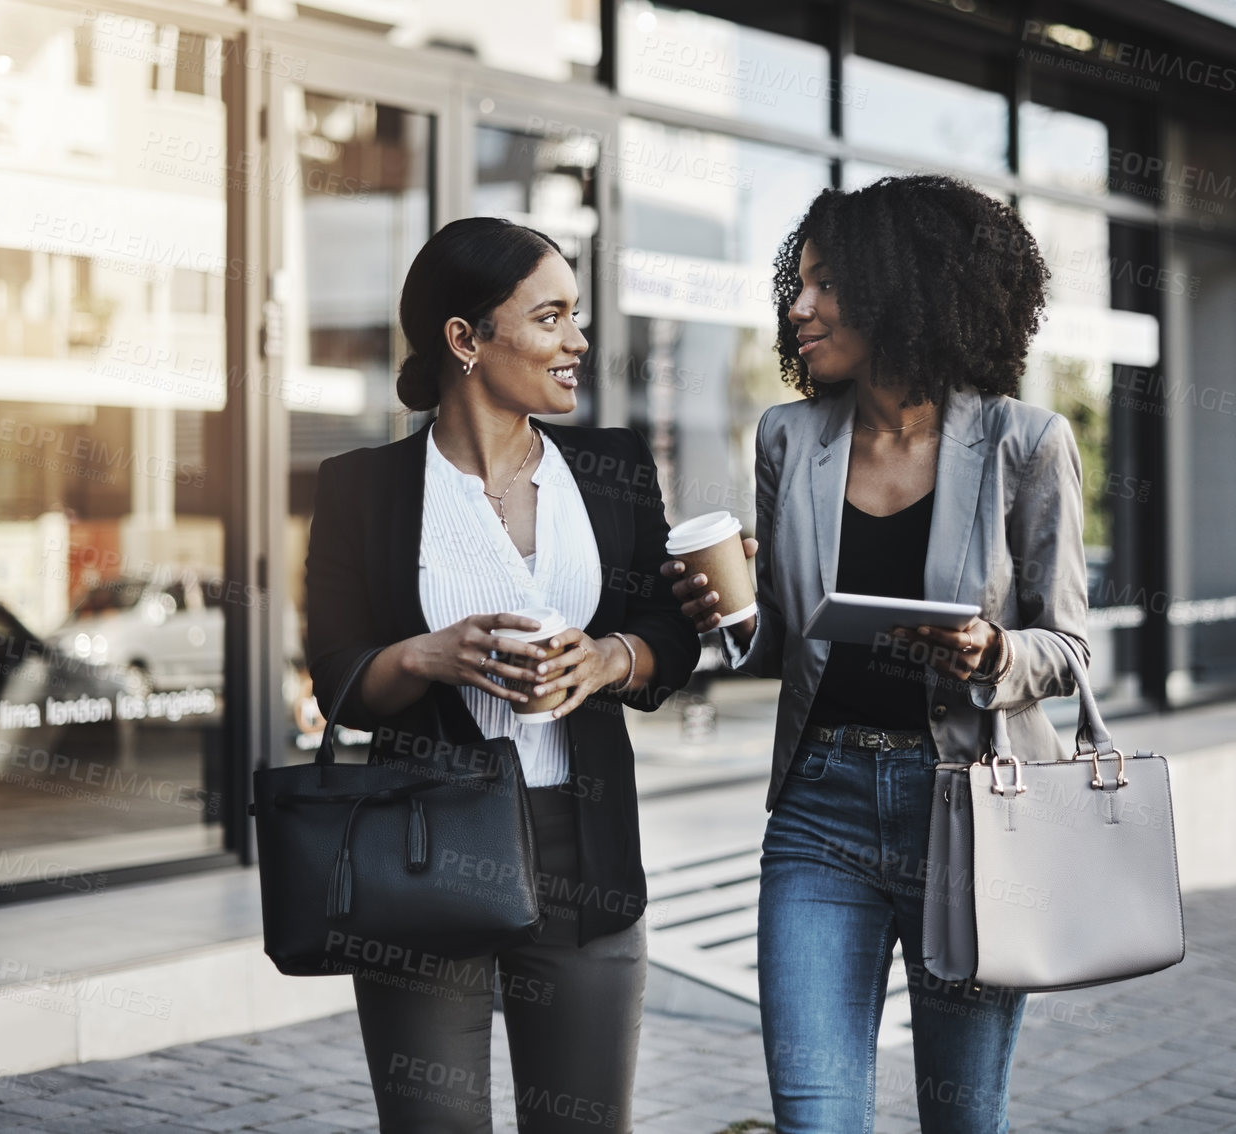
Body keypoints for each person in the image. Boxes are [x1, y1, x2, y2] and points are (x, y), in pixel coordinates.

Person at [663, 175, 1090, 1133]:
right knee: (814, 1117)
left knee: (961, 1116)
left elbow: (1064, 647)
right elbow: (780, 639)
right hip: (820, 809)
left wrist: (987, 651)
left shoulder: (1026, 443)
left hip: (976, 819)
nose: (797, 306)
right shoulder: (789, 436)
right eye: (796, 284)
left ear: (906, 288)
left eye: (824, 284)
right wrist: (725, 613)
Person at [304, 216, 700, 1133]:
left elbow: (664, 638)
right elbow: (337, 681)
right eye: (551, 317)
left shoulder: (612, 469)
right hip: (424, 845)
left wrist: (608, 659)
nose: (578, 342)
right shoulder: (360, 488)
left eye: (576, 317)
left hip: (583, 854)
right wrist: (426, 656)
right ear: (465, 340)